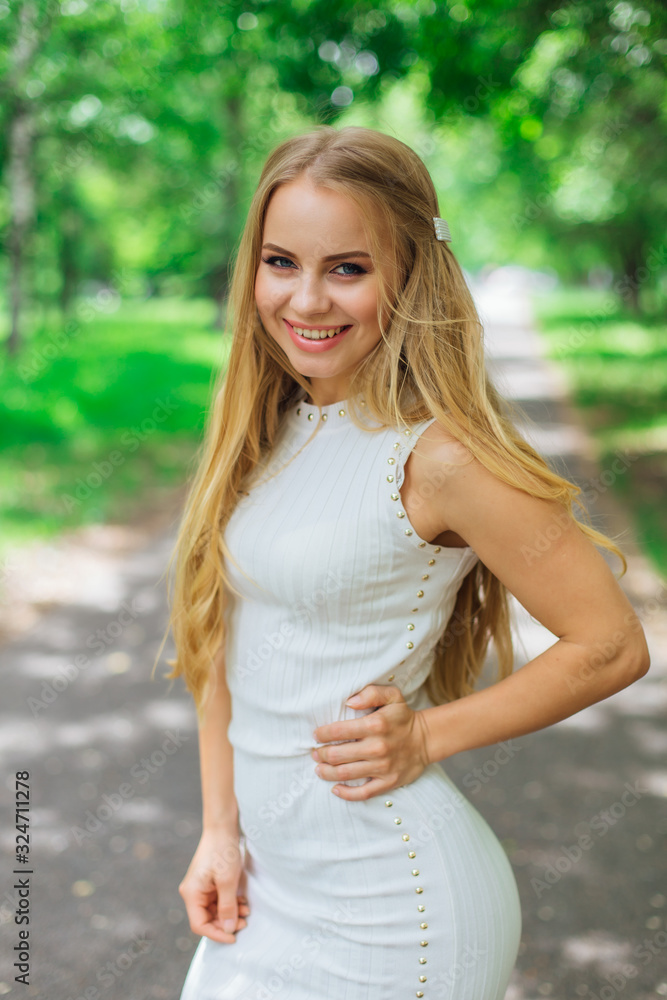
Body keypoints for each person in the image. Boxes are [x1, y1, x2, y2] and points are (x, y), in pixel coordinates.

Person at [160, 125, 650, 999]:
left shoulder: (440, 458)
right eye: (281, 262)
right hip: (269, 891)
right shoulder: (263, 430)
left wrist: (425, 733)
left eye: (347, 268)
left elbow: (610, 643)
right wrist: (219, 831)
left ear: (410, 276)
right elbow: (219, 646)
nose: (306, 300)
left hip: (394, 910)